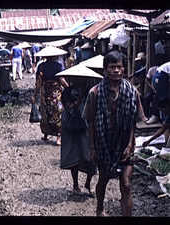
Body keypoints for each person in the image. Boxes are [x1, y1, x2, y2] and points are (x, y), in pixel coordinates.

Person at [82, 50, 145, 217]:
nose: (116, 70)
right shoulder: (94, 93)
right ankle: (99, 208)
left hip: (125, 144)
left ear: (124, 69)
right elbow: (91, 121)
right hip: (104, 145)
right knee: (103, 179)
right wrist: (93, 148)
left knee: (126, 184)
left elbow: (134, 121)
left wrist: (130, 145)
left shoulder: (132, 92)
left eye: (119, 67)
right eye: (112, 67)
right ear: (105, 69)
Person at [60, 77, 96, 197]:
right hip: (71, 124)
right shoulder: (67, 91)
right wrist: (80, 97)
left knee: (90, 153)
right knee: (73, 153)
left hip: (86, 124)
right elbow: (68, 107)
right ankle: (75, 184)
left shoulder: (91, 91)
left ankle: (88, 183)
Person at [31, 49, 69, 146]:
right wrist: (69, 89)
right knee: (57, 113)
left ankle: (46, 134)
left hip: (45, 92)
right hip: (56, 93)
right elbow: (62, 81)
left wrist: (34, 95)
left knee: (45, 113)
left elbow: (39, 82)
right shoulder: (59, 66)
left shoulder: (41, 66)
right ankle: (59, 137)